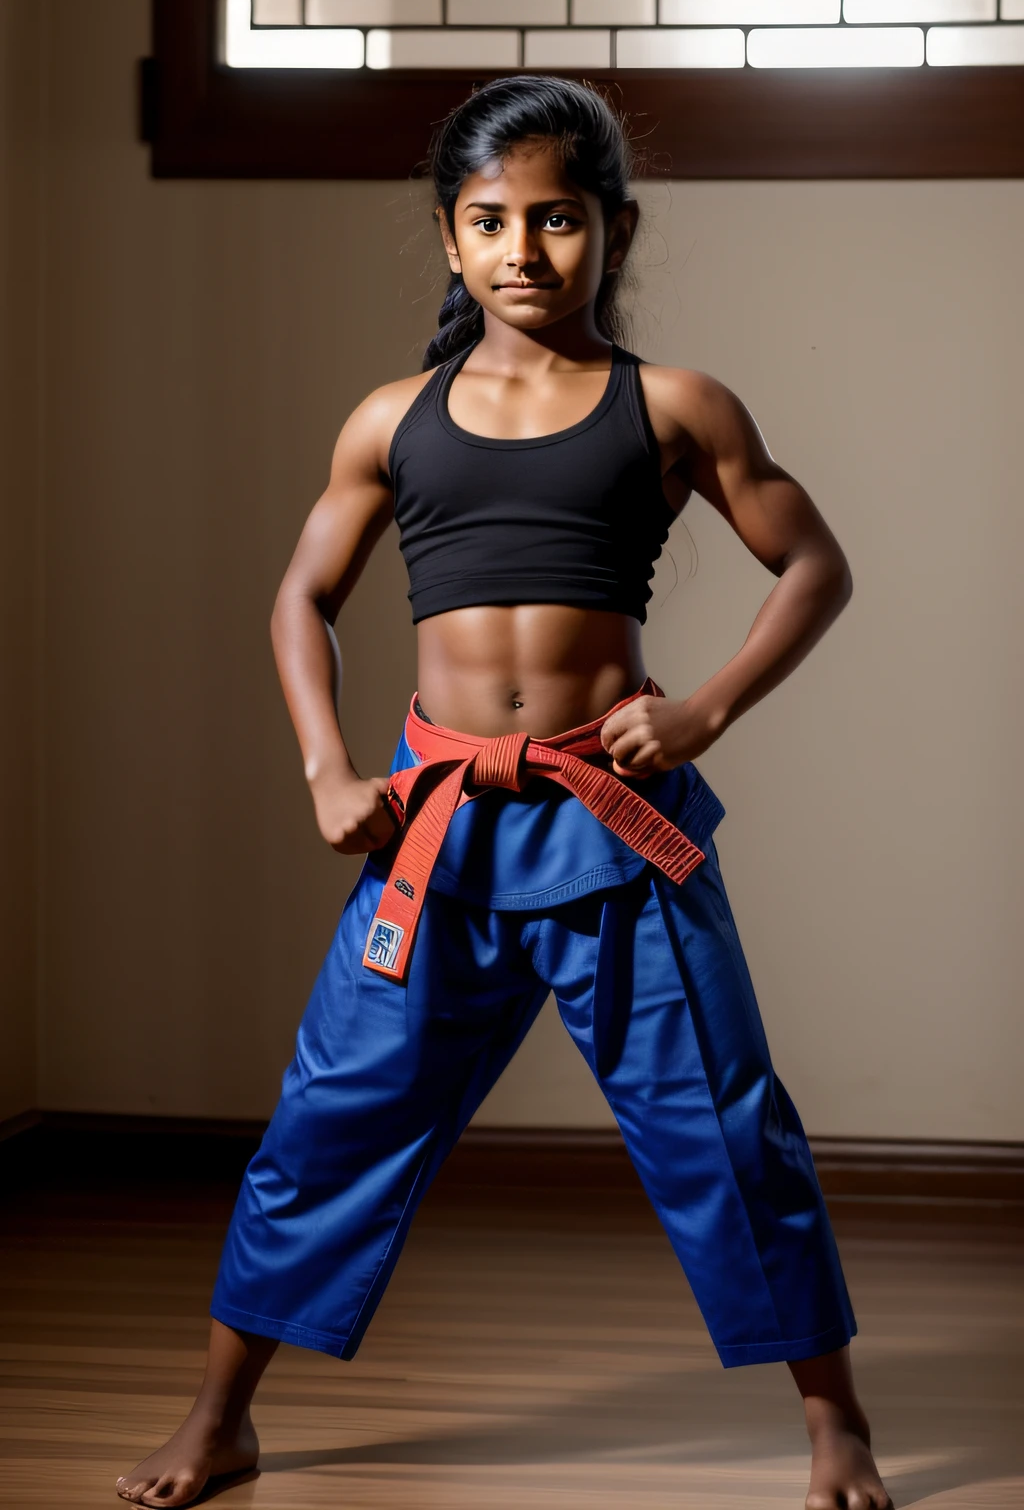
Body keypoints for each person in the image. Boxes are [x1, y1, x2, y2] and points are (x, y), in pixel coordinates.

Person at [116, 75, 892, 1510]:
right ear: (449, 237)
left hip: (617, 831)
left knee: (726, 1128)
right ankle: (222, 1416)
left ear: (615, 228)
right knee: (328, 1122)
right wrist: (326, 767)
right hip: (439, 832)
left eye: (558, 218)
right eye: (491, 221)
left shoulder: (674, 405)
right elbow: (300, 596)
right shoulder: (392, 419)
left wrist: (707, 706)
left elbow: (818, 564)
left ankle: (833, 1419)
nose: (524, 249)